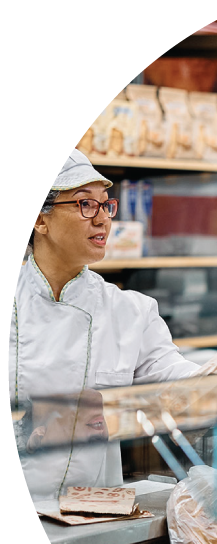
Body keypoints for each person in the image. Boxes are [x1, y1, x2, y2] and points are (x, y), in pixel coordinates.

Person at [13, 150, 202, 495]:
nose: (102, 219)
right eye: (85, 204)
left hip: (95, 512)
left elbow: (178, 380)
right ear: (40, 220)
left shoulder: (130, 312)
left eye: (105, 205)